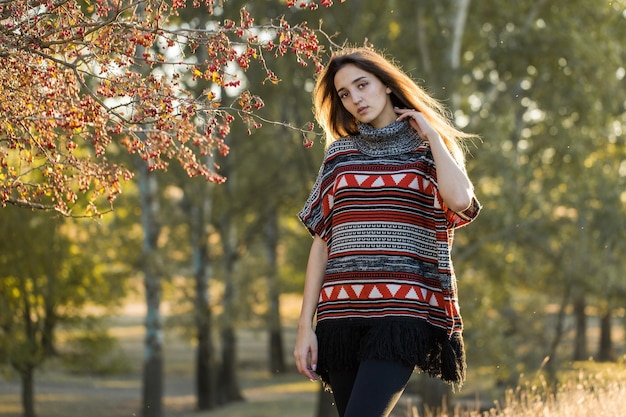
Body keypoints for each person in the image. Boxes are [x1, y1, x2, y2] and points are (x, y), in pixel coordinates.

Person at [293, 47, 481, 417]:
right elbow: (321, 242)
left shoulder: (428, 153)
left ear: (387, 85)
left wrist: (432, 136)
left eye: (362, 85)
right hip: (339, 315)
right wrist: (305, 326)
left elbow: (461, 200)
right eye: (345, 93)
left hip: (401, 313)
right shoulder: (339, 156)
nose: (355, 99)